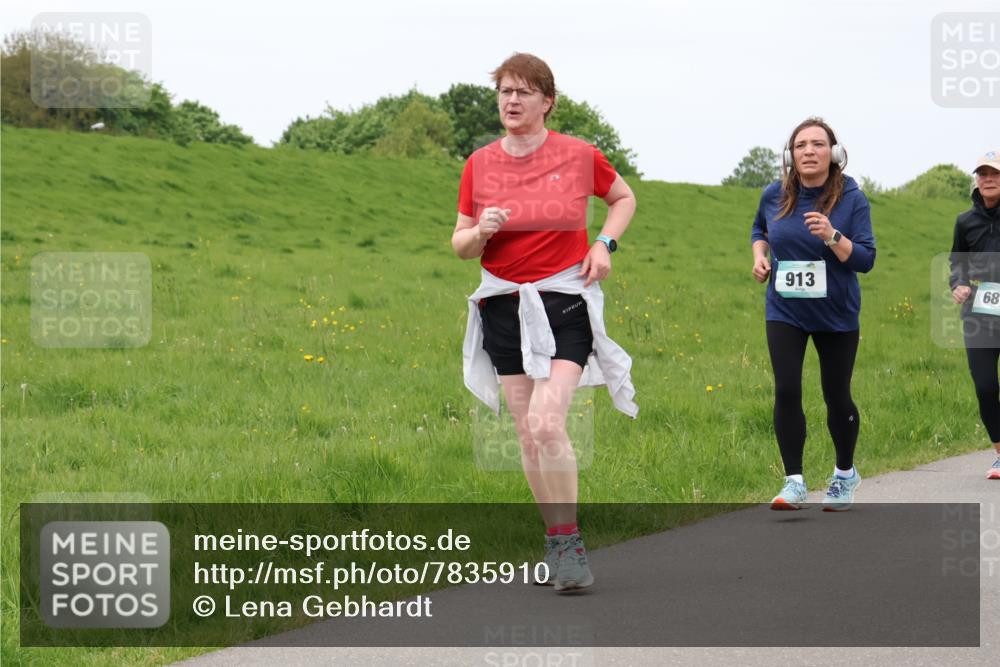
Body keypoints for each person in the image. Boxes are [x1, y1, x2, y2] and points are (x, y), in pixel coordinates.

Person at [452, 53, 638, 592]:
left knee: (547, 422)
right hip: (502, 306)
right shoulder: (479, 164)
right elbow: (460, 246)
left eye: (524, 93)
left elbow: (623, 197)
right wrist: (481, 230)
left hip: (562, 300)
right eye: (505, 92)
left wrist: (605, 242)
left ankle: (572, 544)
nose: (512, 101)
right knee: (526, 436)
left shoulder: (580, 155)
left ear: (547, 101)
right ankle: (557, 542)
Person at [750, 117, 876, 511]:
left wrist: (832, 236)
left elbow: (866, 259)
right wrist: (760, 258)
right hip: (784, 309)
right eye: (800, 145)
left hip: (836, 313)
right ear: (791, 154)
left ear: (833, 153)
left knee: (836, 395)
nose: (808, 151)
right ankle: (794, 481)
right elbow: (760, 231)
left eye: (817, 144)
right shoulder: (774, 194)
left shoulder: (852, 199)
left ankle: (844, 473)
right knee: (786, 389)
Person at [949, 150, 1000, 480]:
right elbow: (957, 263)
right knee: (984, 386)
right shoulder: (965, 221)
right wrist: (959, 284)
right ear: (976, 181)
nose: (988, 179)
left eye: (994, 173)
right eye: (982, 174)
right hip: (980, 314)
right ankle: (999, 453)